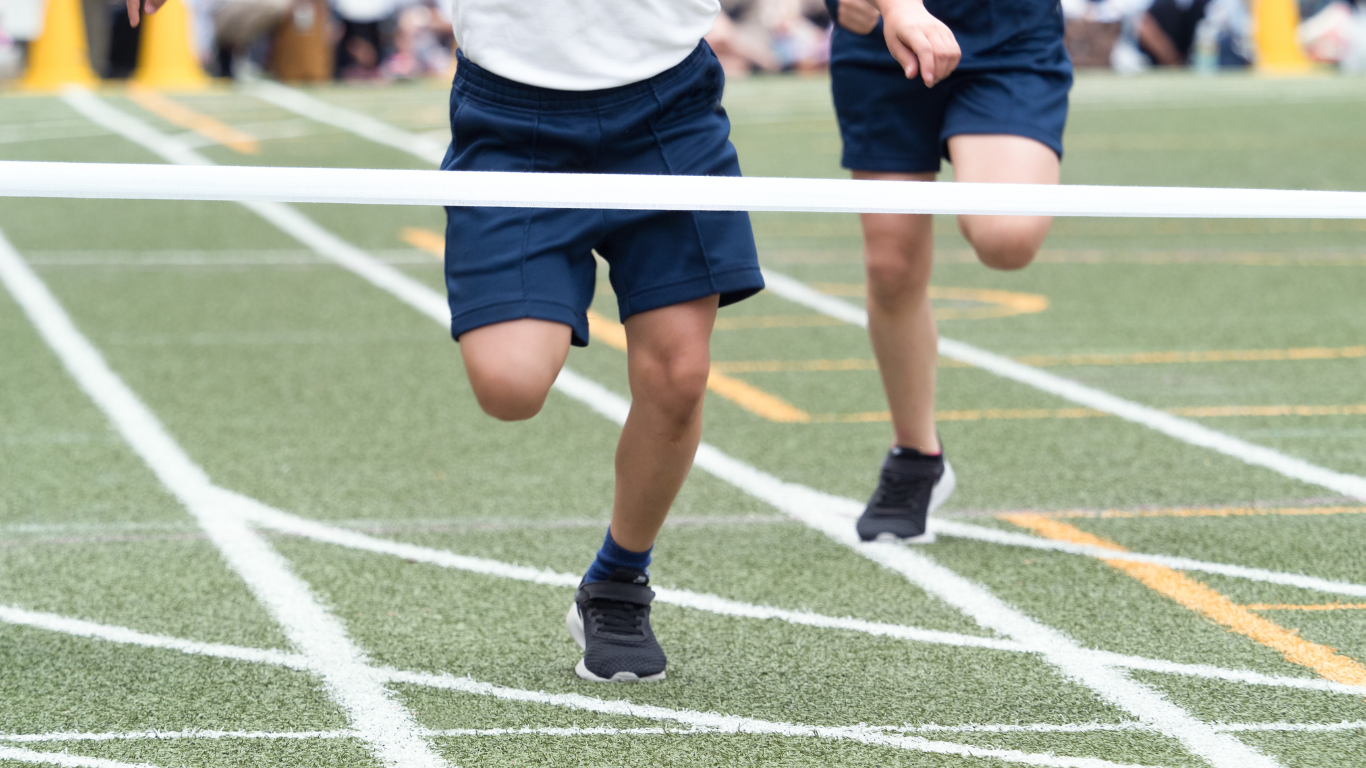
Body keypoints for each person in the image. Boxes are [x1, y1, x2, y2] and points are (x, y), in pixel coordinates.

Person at [826, 0, 1071, 542]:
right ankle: (916, 457)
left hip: (1007, 33)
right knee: (891, 265)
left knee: (1006, 237)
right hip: (882, 45)